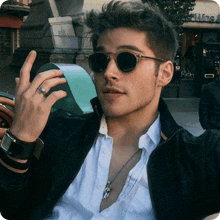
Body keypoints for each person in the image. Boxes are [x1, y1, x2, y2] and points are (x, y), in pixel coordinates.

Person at [0, 1, 220, 219]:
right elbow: (12, 209)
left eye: (127, 59)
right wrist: (21, 136)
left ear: (164, 73)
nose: (109, 72)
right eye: (100, 60)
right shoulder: (60, 131)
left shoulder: (196, 159)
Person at [199, 64, 220, 130]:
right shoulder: (209, 88)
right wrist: (207, 127)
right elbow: (203, 108)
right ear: (218, 72)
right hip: (214, 127)